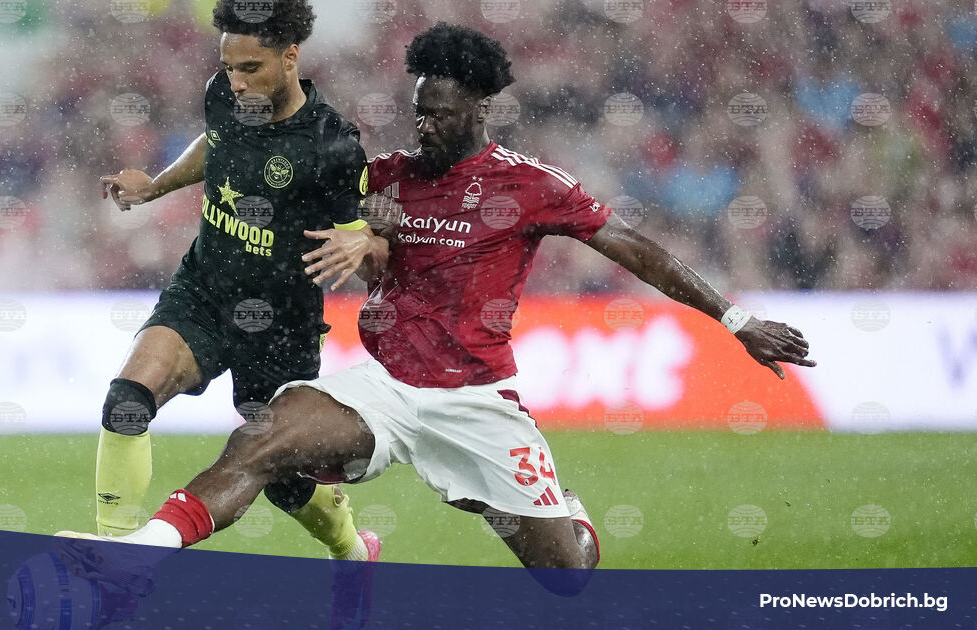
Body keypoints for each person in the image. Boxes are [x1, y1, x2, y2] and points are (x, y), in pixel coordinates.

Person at [60, 22, 814, 591]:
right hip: (385, 388)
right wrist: (361, 239)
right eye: (419, 111)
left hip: (476, 400)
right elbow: (320, 207)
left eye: (442, 115)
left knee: (566, 575)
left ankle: (558, 510)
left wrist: (735, 320)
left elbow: (633, 248)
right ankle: (137, 555)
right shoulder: (386, 177)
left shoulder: (530, 185)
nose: (425, 126)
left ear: (481, 108)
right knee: (259, 442)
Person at [83, 0, 383, 564]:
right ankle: (111, 559)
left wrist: (363, 240)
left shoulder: (331, 145)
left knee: (284, 482)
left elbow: (369, 243)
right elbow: (215, 142)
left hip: (281, 326)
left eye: (250, 68)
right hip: (204, 291)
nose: (236, 82)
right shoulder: (223, 94)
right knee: (126, 402)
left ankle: (352, 549)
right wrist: (156, 186)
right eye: (228, 68)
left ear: (289, 57)